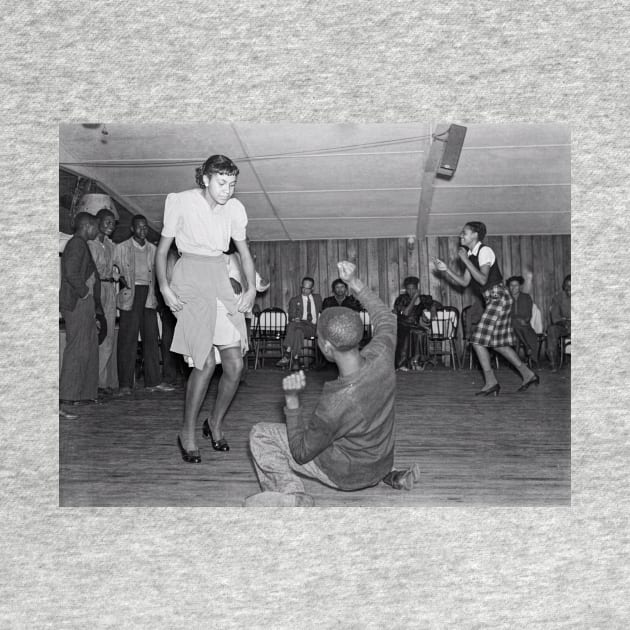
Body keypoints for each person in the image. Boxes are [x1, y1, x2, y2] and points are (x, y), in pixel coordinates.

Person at [245, 261, 421, 507]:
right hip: (381, 462)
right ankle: (388, 476)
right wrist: (354, 281)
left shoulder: (336, 400)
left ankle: (293, 494)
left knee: (261, 434)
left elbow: (301, 452)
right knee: (357, 429)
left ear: (327, 347)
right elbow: (386, 319)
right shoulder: (381, 353)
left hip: (346, 476)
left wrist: (293, 402)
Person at [156, 154, 256, 464]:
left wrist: (251, 289)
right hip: (189, 280)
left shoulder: (235, 209)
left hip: (219, 277)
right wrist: (164, 287)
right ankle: (186, 432)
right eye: (222, 182)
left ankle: (214, 422)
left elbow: (244, 254)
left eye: (232, 184)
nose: (228, 189)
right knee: (204, 363)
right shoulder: (181, 202)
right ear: (205, 179)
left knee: (235, 365)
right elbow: (161, 253)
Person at [432, 221, 538, 396]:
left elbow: (482, 279)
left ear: (475, 235)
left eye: (464, 233)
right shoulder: (473, 255)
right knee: (498, 345)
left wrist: (465, 259)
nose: (461, 236)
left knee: (477, 340)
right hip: (493, 300)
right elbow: (465, 282)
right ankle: (529, 375)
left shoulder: (484, 251)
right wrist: (446, 270)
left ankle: (491, 382)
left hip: (499, 297)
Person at [113, 215, 174, 396]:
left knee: (151, 338)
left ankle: (153, 382)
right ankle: (125, 384)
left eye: (145, 227)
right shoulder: (121, 248)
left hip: (148, 295)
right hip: (130, 295)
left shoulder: (154, 250)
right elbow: (108, 266)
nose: (142, 230)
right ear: (132, 229)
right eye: (139, 227)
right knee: (127, 340)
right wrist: (120, 278)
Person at [59, 212, 103, 409]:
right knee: (77, 348)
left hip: (82, 303)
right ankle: (67, 395)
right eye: (95, 226)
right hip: (77, 302)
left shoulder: (79, 243)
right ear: (87, 226)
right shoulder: (76, 243)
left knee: (87, 347)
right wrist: (85, 292)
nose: (97, 230)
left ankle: (84, 393)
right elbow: (70, 272)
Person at [225, 237, 270, 384]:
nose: (247, 245)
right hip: (231, 311)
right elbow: (216, 276)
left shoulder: (247, 262)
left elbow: (257, 284)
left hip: (246, 312)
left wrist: (264, 283)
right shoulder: (226, 257)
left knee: (244, 345)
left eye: (248, 243)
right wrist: (230, 280)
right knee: (231, 345)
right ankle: (230, 375)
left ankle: (241, 377)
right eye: (245, 242)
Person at [88, 208, 118, 396]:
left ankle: (101, 383)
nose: (110, 226)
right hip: (96, 290)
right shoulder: (90, 244)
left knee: (108, 337)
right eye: (107, 222)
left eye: (113, 223)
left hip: (109, 290)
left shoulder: (110, 244)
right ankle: (90, 383)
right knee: (96, 335)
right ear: (97, 221)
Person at [276, 277, 322, 370]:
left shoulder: (318, 298)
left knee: (294, 326)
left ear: (312, 289)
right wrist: (294, 318)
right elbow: (290, 317)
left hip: (313, 328)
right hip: (300, 325)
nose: (304, 290)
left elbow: (323, 312)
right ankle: (296, 360)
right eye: (303, 287)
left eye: (307, 288)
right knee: (297, 331)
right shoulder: (294, 300)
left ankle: (287, 354)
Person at [506, 275, 539, 365]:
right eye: (511, 285)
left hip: (524, 325)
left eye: (516, 285)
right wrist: (515, 318)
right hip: (509, 327)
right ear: (508, 287)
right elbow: (505, 314)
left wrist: (525, 320)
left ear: (520, 286)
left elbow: (529, 314)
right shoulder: (506, 298)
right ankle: (526, 346)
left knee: (528, 332)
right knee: (514, 321)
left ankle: (530, 355)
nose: (513, 288)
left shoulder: (526, 297)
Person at [547, 274, 571, 373]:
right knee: (552, 329)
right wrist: (564, 322)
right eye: (567, 286)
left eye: (572, 285)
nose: (569, 288)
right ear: (563, 286)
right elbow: (555, 317)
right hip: (565, 325)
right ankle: (553, 362)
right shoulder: (558, 297)